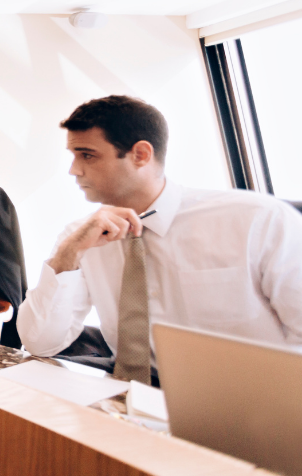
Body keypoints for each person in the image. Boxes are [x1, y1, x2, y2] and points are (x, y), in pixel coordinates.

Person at [17, 96, 302, 381]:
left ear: (141, 154)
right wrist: (68, 253)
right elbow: (40, 342)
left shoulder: (259, 221)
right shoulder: (82, 237)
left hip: (247, 399)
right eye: (74, 156)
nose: (74, 170)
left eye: (87, 155)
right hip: (127, 399)